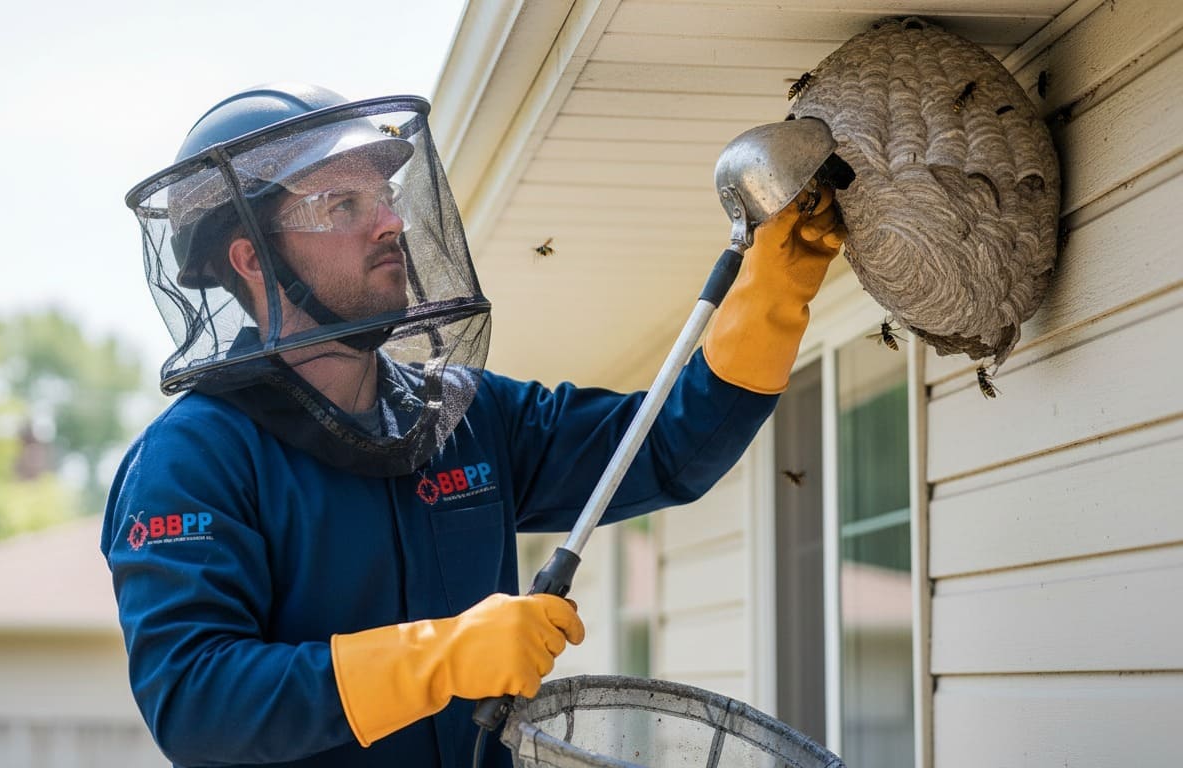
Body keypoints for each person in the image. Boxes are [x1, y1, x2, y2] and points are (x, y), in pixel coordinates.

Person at [102, 83, 845, 768]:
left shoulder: (462, 413)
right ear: (251, 258)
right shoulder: (191, 458)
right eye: (342, 205)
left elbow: (668, 448)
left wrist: (775, 283)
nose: (391, 222)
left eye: (383, 195)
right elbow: (197, 701)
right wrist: (445, 656)